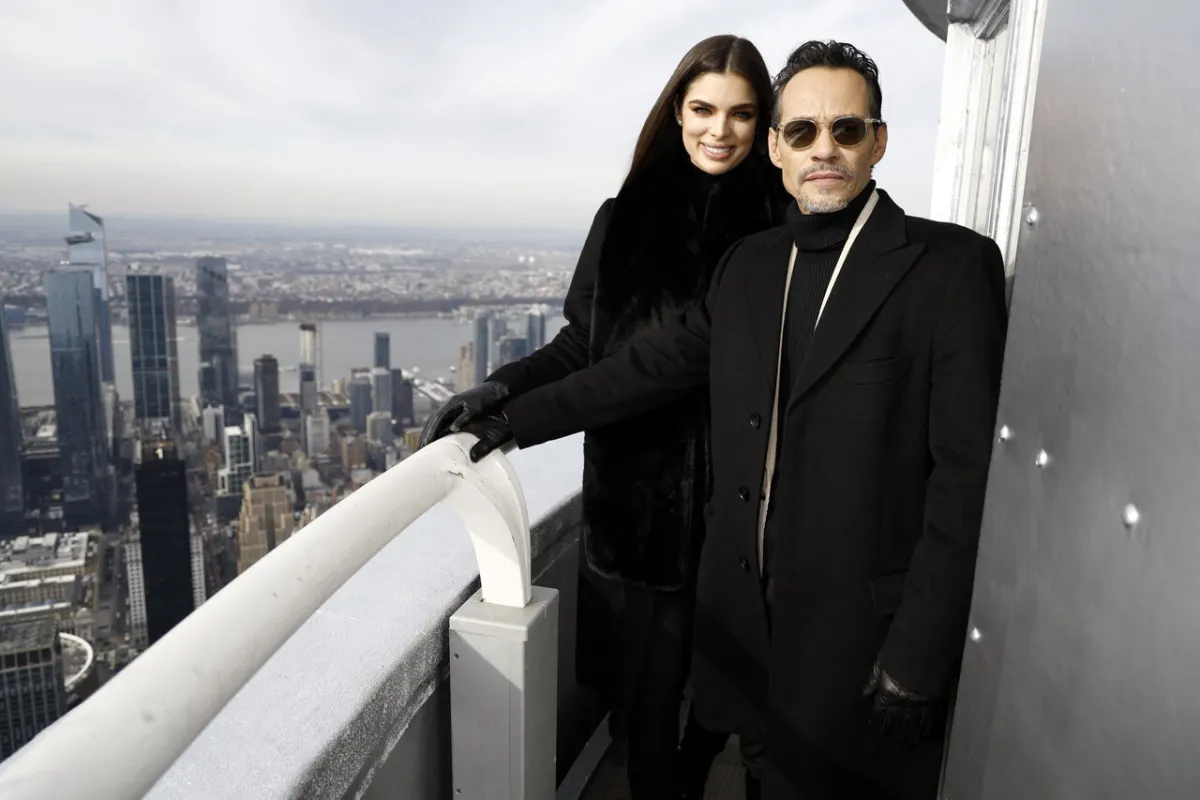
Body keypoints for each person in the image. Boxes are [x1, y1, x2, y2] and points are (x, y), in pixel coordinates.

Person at [430, 40, 1009, 799]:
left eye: (847, 129)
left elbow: (966, 481)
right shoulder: (752, 266)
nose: (823, 148)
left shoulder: (953, 267)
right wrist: (508, 414)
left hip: (860, 640)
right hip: (739, 617)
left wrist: (920, 656)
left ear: (880, 139)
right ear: (778, 147)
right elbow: (640, 364)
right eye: (802, 132)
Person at [419, 35, 790, 799]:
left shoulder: (778, 233)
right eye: (701, 109)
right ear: (674, 111)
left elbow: (664, 367)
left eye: (741, 114)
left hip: (738, 507)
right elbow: (585, 344)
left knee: (740, 697)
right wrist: (499, 389)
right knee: (643, 702)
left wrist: (524, 416)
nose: (718, 130)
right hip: (636, 501)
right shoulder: (621, 219)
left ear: (764, 125)